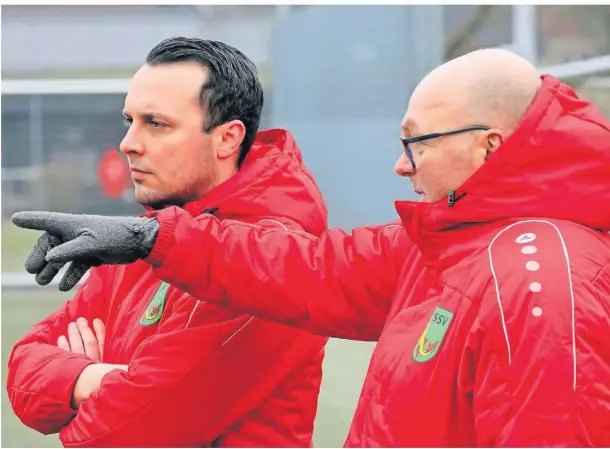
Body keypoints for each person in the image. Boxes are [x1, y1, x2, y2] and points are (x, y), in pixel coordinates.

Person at [13, 48, 610, 447]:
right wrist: (152, 239)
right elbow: (312, 270)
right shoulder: (450, 244)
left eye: (416, 144)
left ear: (489, 145)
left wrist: (81, 380)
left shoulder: (540, 274)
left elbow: (120, 433)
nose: (399, 167)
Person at [7, 37, 330, 448]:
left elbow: (114, 436)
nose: (128, 143)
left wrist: (81, 380)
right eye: (130, 121)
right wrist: (101, 379)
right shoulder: (144, 237)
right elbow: (23, 370)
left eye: (156, 124)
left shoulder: (273, 259)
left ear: (228, 139)